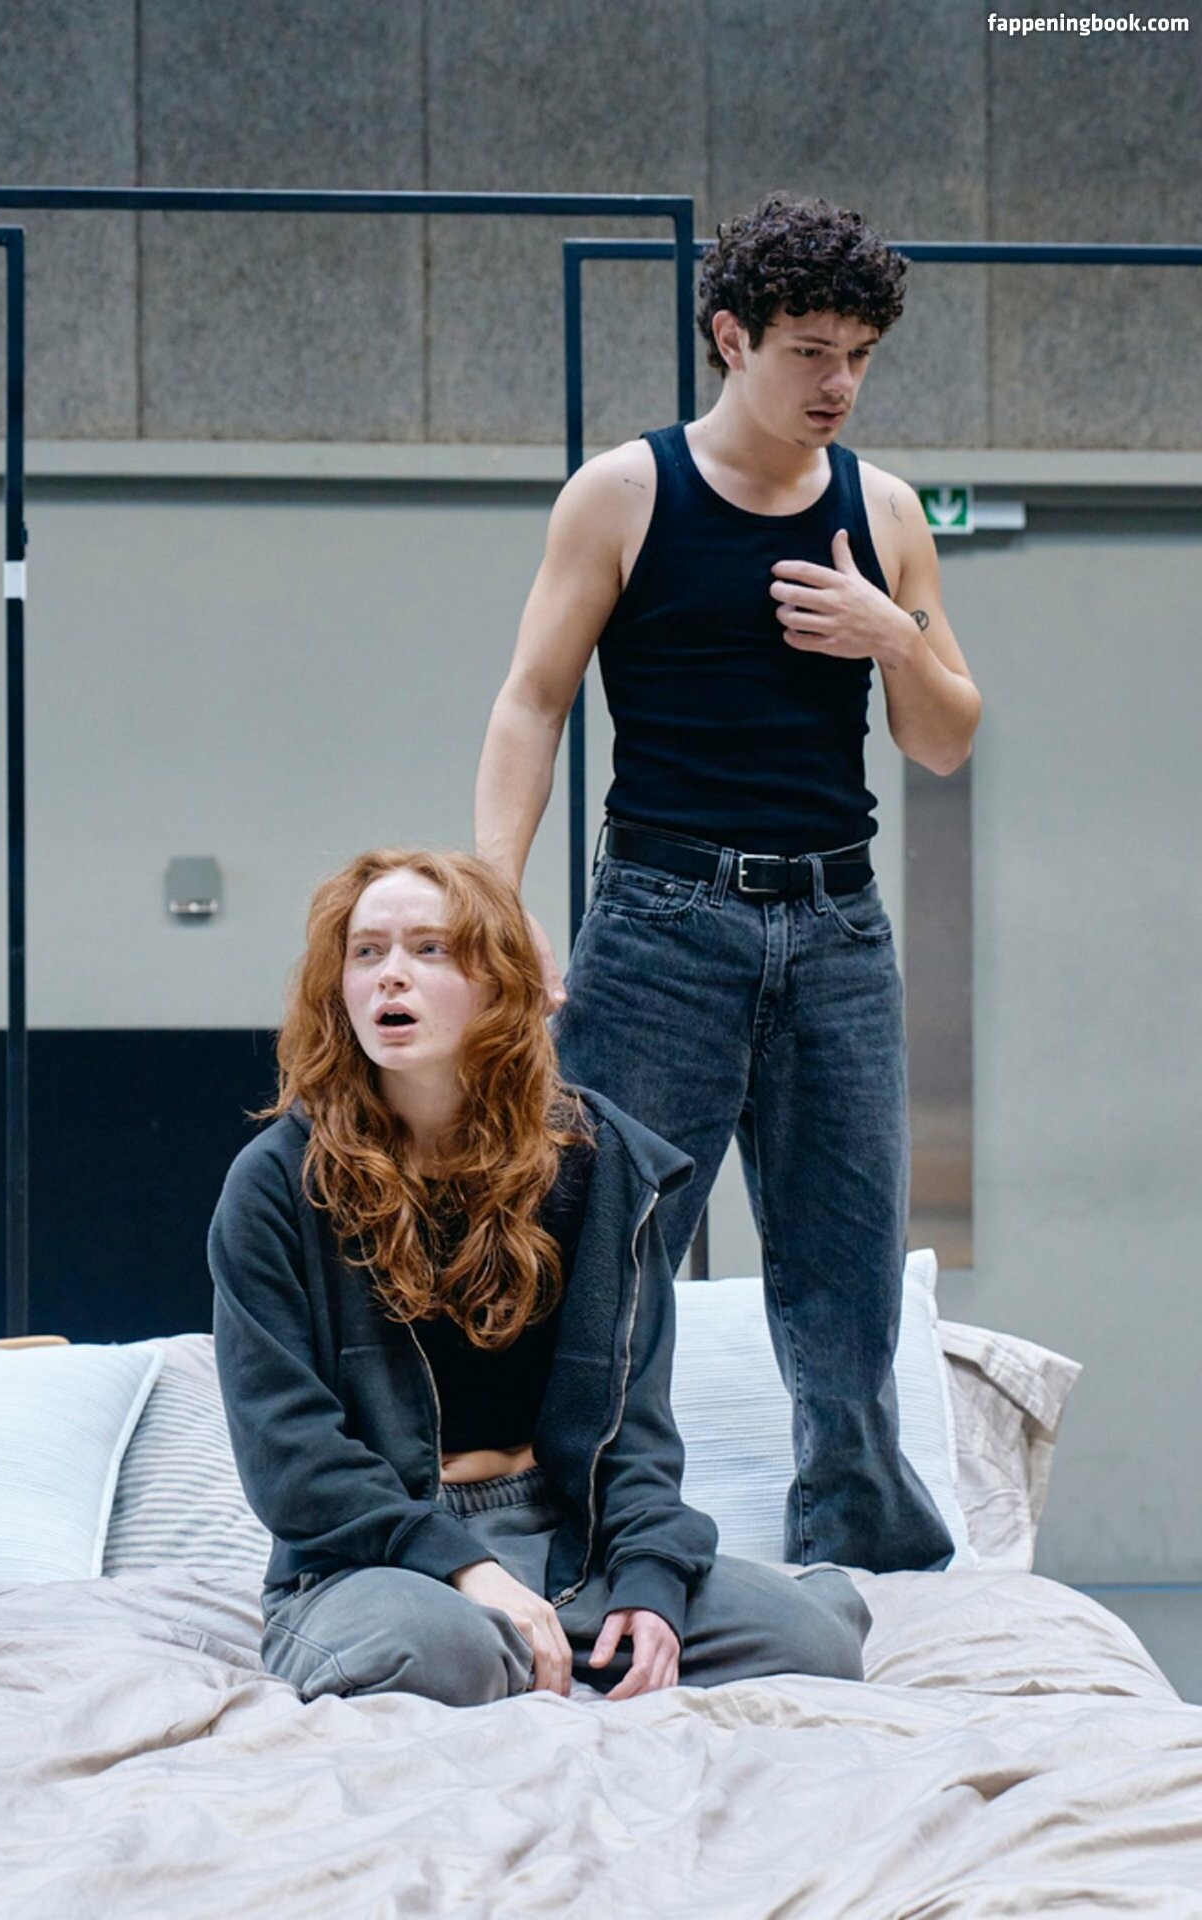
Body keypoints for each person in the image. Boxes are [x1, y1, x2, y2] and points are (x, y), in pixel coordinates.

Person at [474, 193, 983, 1575]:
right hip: (661, 922)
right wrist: (498, 899)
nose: (838, 383)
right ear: (730, 336)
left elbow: (945, 738)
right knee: (605, 1256)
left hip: (837, 928)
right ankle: (593, 1558)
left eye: (858, 356)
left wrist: (891, 634)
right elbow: (531, 701)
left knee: (849, 1272)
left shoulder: (883, 510)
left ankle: (863, 1564)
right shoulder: (624, 494)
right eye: (809, 351)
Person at [209, 847, 871, 1707]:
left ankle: (549, 1644)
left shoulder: (599, 1161)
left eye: (430, 949)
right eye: (366, 952)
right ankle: (495, 1648)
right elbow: (291, 1459)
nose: (390, 975)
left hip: (567, 1545)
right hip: (371, 1560)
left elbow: (635, 1431)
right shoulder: (276, 1183)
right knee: (439, 1649)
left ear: (498, 982)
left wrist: (650, 1580)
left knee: (812, 1640)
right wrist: (467, 1569)